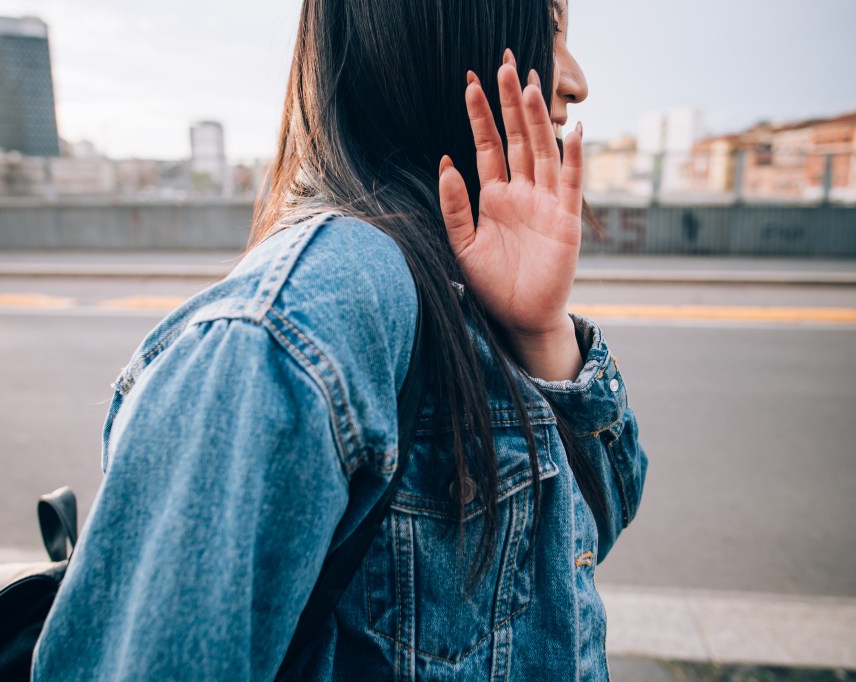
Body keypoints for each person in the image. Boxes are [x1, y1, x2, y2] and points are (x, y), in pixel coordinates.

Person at [32, 0, 647, 679]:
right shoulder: (306, 313)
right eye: (551, 28)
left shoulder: (463, 270)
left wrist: (540, 332)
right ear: (435, 29)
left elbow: (576, 553)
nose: (577, 78)